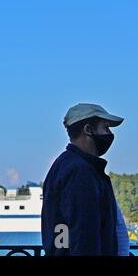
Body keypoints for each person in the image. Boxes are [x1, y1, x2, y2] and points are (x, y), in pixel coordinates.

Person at [42, 103, 129, 256]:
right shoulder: (81, 172)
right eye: (105, 127)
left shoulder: (66, 165)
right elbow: (83, 233)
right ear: (88, 130)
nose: (109, 134)